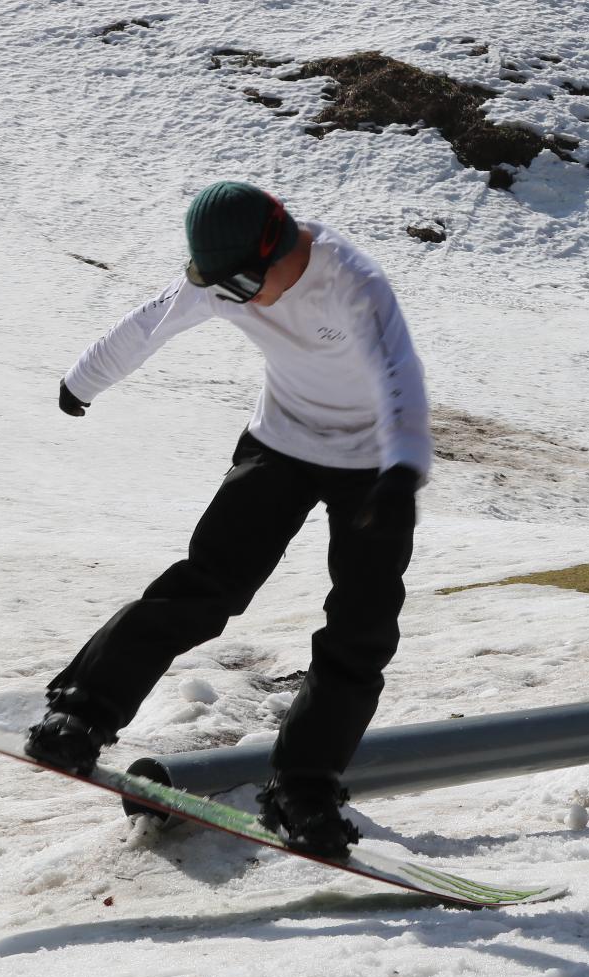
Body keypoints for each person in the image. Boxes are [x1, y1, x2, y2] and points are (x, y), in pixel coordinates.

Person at [24, 182, 431, 858]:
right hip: (279, 446)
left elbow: (401, 374)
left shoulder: (353, 282)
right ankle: (81, 710)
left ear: (279, 246)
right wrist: (82, 380)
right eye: (221, 287)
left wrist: (402, 470)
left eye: (244, 283)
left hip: (373, 466)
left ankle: (304, 789)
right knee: (206, 584)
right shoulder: (226, 280)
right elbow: (151, 321)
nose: (235, 298)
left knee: (361, 629)